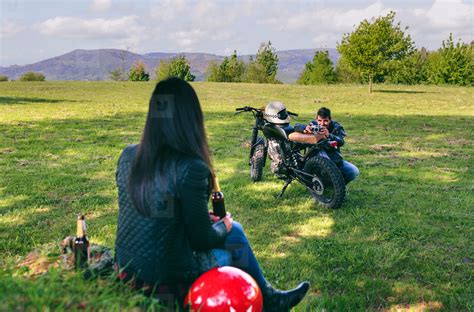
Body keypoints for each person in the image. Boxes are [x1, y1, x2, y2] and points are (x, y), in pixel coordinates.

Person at [114, 77, 309, 311]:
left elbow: (148, 208)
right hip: (167, 282)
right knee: (233, 233)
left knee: (231, 230)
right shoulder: (191, 167)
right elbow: (202, 239)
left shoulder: (128, 155)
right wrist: (224, 225)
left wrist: (191, 214)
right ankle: (269, 299)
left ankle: (269, 297)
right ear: (191, 118)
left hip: (127, 271)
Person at [290, 107, 359, 184]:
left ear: (330, 119)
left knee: (353, 171)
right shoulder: (313, 124)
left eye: (325, 121)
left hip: (334, 158)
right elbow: (296, 126)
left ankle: (336, 185)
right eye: (319, 120)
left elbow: (341, 141)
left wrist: (329, 135)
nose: (322, 124)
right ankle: (321, 181)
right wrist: (305, 129)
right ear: (316, 119)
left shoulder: (336, 127)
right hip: (315, 158)